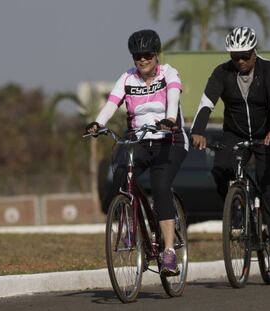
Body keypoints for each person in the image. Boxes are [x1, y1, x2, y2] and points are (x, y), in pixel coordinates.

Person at [86, 29, 189, 276]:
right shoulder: (127, 79)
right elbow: (112, 103)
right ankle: (133, 232)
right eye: (137, 56)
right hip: (140, 141)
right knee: (122, 177)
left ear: (156, 55)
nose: (142, 60)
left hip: (170, 140)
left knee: (161, 185)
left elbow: (173, 98)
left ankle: (169, 252)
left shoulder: (169, 73)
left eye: (147, 55)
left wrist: (170, 119)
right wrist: (98, 123)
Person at [191, 26, 270, 272]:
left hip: (269, 134)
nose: (241, 61)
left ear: (254, 51)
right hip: (235, 133)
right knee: (221, 168)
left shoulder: (269, 70)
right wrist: (198, 131)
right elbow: (206, 103)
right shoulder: (222, 73)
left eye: (245, 55)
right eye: (235, 57)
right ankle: (236, 211)